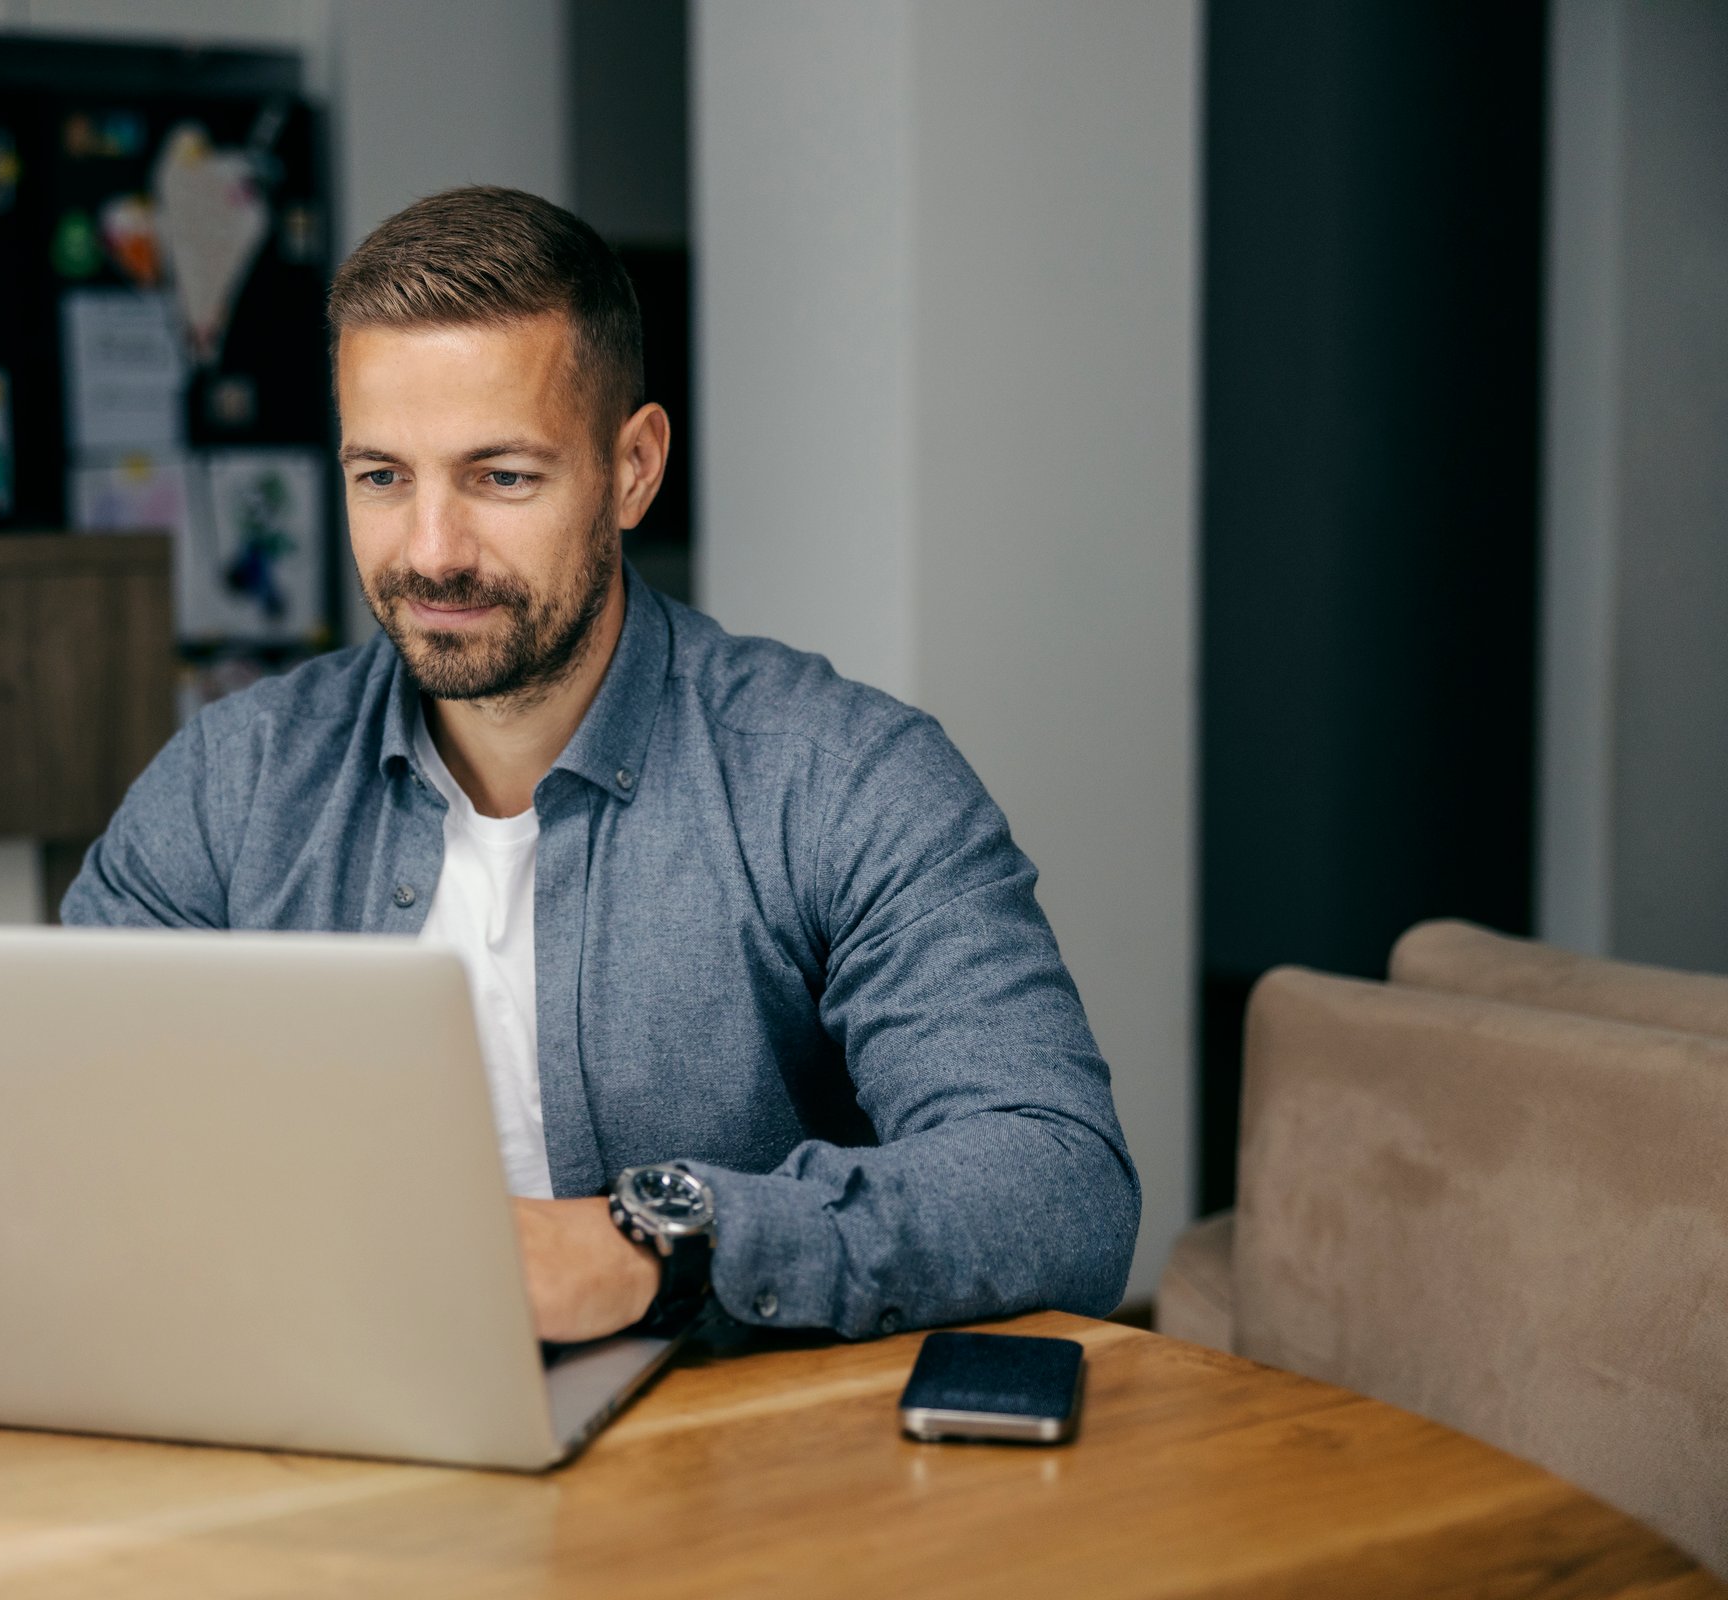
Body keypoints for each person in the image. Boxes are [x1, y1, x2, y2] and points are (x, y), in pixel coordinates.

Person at [64, 186, 1138, 1344]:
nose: (431, 550)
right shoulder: (232, 784)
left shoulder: (844, 776)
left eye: (501, 477)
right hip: (318, 1420)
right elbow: (57, 1127)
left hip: (736, 1467)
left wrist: (652, 1243)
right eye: (382, 475)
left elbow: (1058, 1179)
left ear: (633, 467)